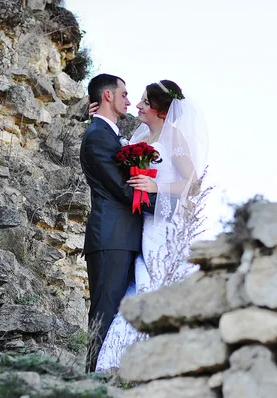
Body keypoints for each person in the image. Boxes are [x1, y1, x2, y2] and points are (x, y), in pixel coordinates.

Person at [92, 80, 209, 372]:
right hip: (143, 223)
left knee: (153, 282)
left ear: (159, 107)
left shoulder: (176, 138)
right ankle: (122, 361)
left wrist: (157, 185)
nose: (139, 106)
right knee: (140, 282)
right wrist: (94, 117)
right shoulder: (141, 134)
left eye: (145, 101)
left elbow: (193, 184)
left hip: (164, 224)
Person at [79, 73, 156, 373]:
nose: (128, 99)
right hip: (110, 237)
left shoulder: (108, 134)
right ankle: (89, 381)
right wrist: (164, 205)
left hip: (123, 237)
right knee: (105, 312)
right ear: (108, 96)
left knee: (116, 313)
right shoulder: (98, 135)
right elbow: (122, 189)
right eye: (123, 93)